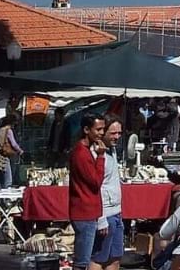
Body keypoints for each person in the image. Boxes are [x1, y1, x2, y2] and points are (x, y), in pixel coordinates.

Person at [69, 114, 107, 270]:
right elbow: (95, 182)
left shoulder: (83, 151)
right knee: (82, 261)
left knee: (84, 258)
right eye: (98, 129)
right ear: (86, 130)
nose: (101, 133)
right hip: (84, 212)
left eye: (103, 129)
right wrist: (101, 157)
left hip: (87, 211)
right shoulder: (81, 154)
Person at [90, 117, 124, 270]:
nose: (117, 136)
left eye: (119, 133)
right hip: (105, 214)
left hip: (116, 213)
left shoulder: (112, 150)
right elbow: (96, 187)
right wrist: (101, 217)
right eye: (113, 133)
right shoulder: (97, 154)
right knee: (98, 259)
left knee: (114, 259)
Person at [0, 115, 24, 189]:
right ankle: (7, 198)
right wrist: (20, 151)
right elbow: (13, 144)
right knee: (8, 180)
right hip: (5, 157)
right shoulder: (8, 131)